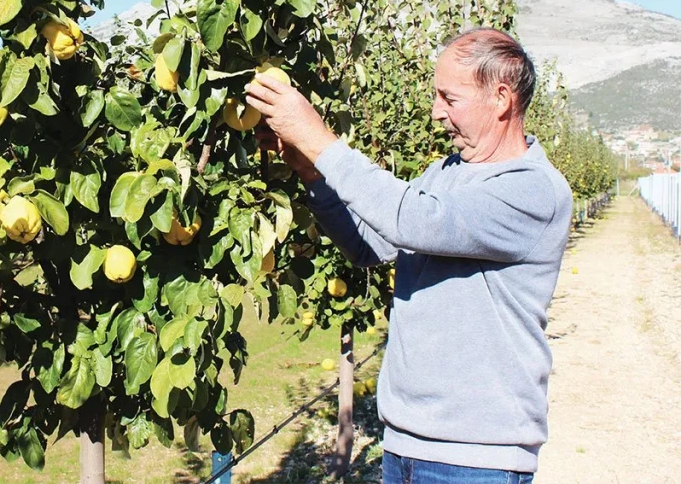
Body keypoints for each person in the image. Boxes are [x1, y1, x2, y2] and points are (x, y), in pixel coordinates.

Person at [245, 28, 572, 484]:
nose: (437, 113)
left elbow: (411, 220)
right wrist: (310, 171)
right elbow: (369, 245)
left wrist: (317, 137)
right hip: (404, 443)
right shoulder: (446, 173)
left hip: (476, 456)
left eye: (449, 98)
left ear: (501, 99)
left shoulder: (531, 189)